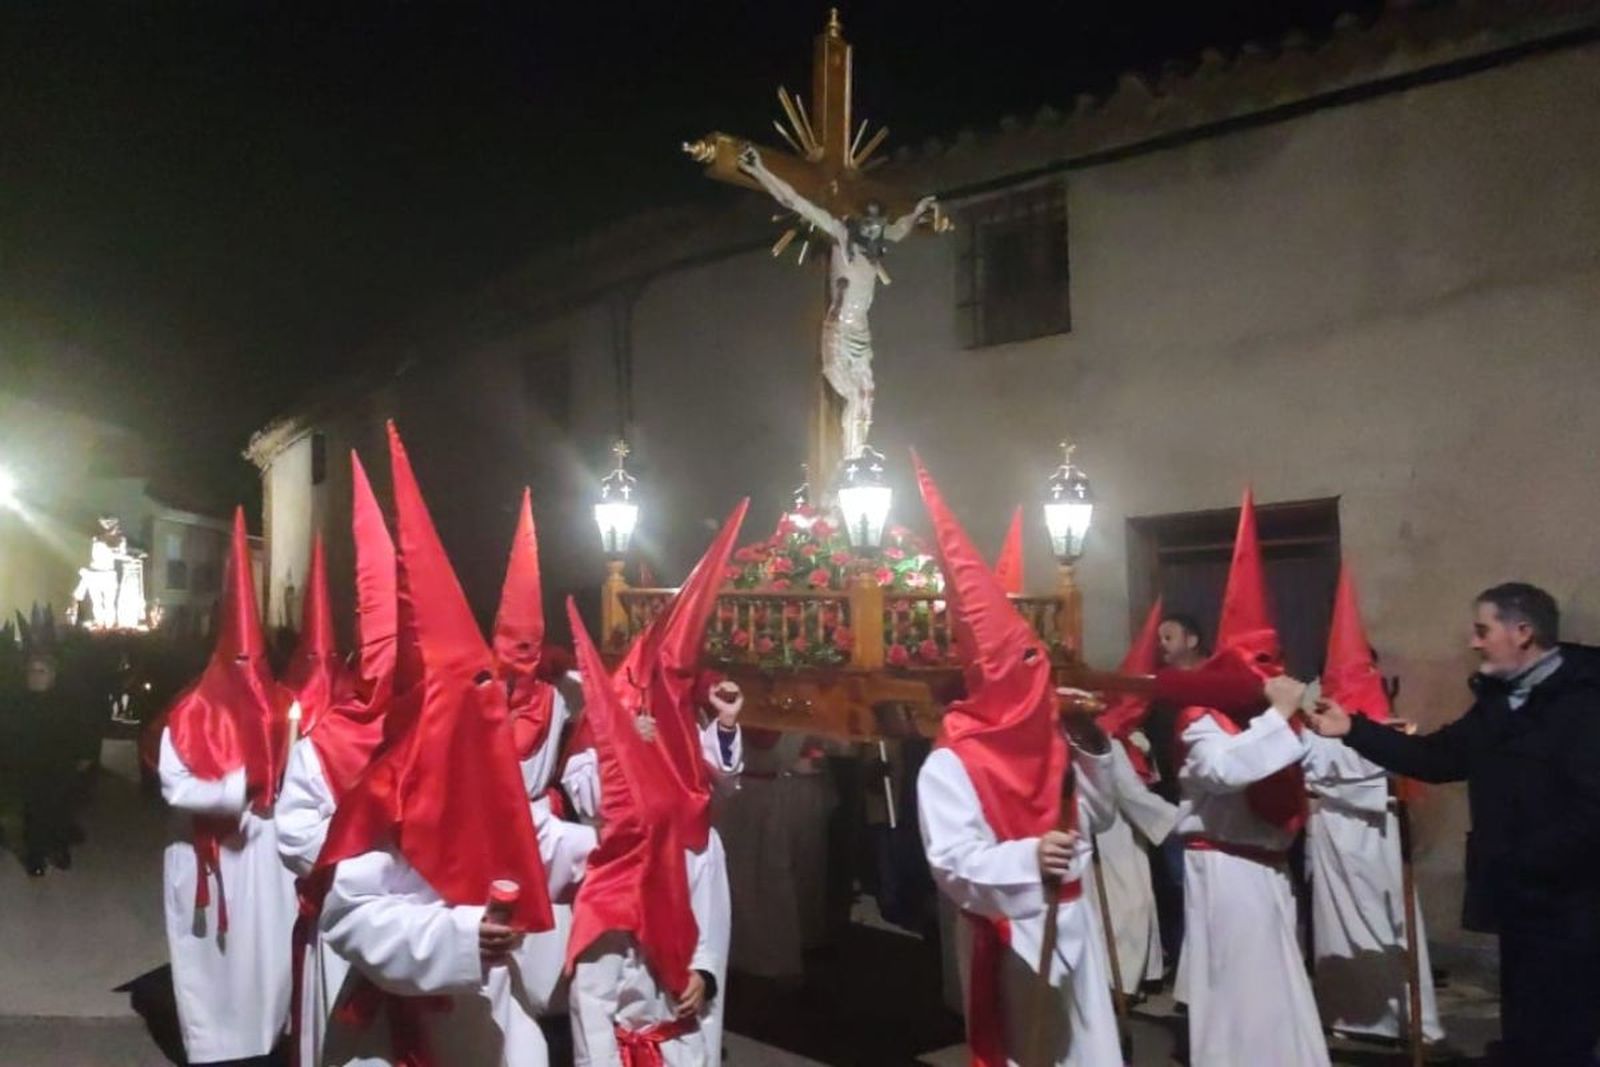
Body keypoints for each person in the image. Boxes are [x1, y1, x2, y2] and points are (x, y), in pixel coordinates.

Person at [313, 424, 557, 1067]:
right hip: (401, 1027)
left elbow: (548, 845)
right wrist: (457, 935)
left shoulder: (492, 784)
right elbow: (348, 913)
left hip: (488, 1015)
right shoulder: (388, 789)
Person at [1305, 582, 1600, 1065]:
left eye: (1483, 630)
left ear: (1522, 632)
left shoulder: (1584, 701)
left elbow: (1590, 811)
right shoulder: (1500, 702)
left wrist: (1535, 859)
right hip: (1520, 894)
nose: (1473, 642)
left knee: (1566, 1026)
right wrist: (1353, 729)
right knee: (1525, 1016)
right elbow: (1438, 757)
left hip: (1573, 900)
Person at [912, 456, 1122, 1067]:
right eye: (1026, 666)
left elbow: (1100, 817)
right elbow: (952, 864)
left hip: (1076, 922)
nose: (1040, 678)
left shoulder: (1054, 732)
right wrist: (1030, 857)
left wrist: (1091, 743)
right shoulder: (951, 762)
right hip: (1013, 931)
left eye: (1039, 660)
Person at [563, 500, 747, 1067]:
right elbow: (586, 791)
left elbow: (721, 778)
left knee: (695, 994)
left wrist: (724, 725)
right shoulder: (618, 707)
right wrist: (625, 748)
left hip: (693, 858)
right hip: (634, 856)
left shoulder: (684, 715)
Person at [1172, 489, 1330, 1067]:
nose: (1273, 674)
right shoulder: (1201, 719)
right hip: (1226, 864)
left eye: (1275, 660)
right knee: (1243, 993)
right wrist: (1279, 718)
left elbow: (1300, 766)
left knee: (1276, 986)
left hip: (1267, 866)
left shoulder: (1266, 720)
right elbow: (1223, 770)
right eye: (1259, 664)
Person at [159, 510, 298, 1064]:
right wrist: (237, 788)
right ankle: (214, 1043)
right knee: (215, 958)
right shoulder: (190, 711)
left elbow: (300, 774)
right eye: (237, 658)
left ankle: (265, 1035)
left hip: (266, 851)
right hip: (208, 854)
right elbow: (175, 785)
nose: (247, 670)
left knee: (265, 952)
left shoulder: (283, 705)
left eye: (254, 659)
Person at [274, 456, 392, 1067]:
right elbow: (294, 833)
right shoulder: (326, 741)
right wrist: (372, 855)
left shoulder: (438, 734)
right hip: (348, 918)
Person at [1300, 564, 1442, 1045]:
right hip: (1332, 830)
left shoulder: (1384, 728)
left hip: (1376, 832)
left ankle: (1405, 1017)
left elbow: (1388, 771)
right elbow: (1309, 769)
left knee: (1388, 918)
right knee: (1337, 923)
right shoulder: (1317, 724)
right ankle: (1350, 1014)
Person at [1146, 610, 1205, 977]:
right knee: (1177, 885)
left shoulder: (1212, 684)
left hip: (1208, 802)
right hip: (1171, 799)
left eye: (1168, 637)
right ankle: (1185, 967)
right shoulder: (1160, 691)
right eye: (1159, 639)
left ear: (1192, 640)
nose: (1161, 645)